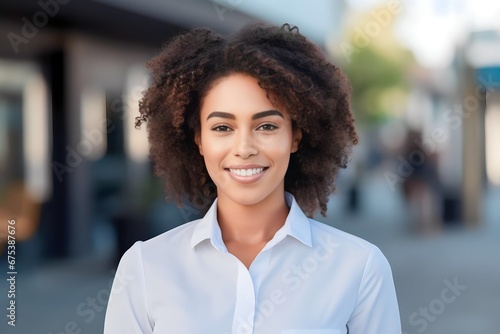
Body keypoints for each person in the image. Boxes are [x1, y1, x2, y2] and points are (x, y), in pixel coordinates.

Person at [104, 23, 401, 334]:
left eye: (266, 127)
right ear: (199, 140)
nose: (244, 149)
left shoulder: (360, 267)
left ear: (296, 136)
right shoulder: (145, 267)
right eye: (222, 128)